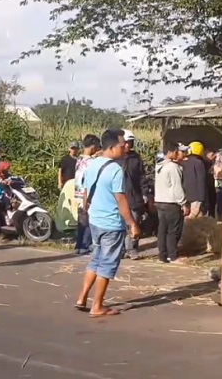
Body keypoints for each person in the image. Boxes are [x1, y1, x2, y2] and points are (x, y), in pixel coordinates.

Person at [75, 129, 140, 318]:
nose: (125, 148)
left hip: (95, 220)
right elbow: (121, 199)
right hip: (111, 223)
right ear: (111, 147)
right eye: (122, 145)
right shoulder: (115, 169)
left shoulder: (93, 164)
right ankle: (97, 306)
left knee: (96, 259)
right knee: (107, 264)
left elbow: (86, 192)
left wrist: (89, 210)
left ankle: (82, 298)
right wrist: (132, 223)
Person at [154, 143, 188, 263]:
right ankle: (173, 256)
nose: (177, 153)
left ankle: (162, 256)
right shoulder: (173, 167)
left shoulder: (159, 165)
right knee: (173, 230)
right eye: (176, 151)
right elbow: (176, 187)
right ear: (170, 152)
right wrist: (183, 203)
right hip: (171, 202)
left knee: (162, 230)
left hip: (159, 200)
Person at [118, 129, 149, 259]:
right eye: (126, 142)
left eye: (130, 143)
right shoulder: (115, 159)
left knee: (134, 222)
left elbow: (142, 177)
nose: (128, 145)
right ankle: (121, 250)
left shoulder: (135, 158)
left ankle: (132, 249)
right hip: (119, 197)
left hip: (134, 197)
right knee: (120, 226)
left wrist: (145, 193)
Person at [74, 135, 101, 255]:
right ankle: (85, 246)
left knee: (81, 223)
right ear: (94, 146)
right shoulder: (92, 162)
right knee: (88, 223)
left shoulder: (79, 159)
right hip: (87, 195)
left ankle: (78, 245)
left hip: (78, 195)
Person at [182, 141, 207, 218]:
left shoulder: (183, 162)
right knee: (195, 216)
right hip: (196, 196)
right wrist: (202, 198)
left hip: (185, 194)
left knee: (186, 215)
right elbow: (201, 181)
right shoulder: (199, 163)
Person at [212, 149, 222, 220]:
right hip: (220, 181)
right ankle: (221, 217)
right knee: (220, 200)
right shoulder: (220, 156)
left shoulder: (219, 156)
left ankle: (221, 216)